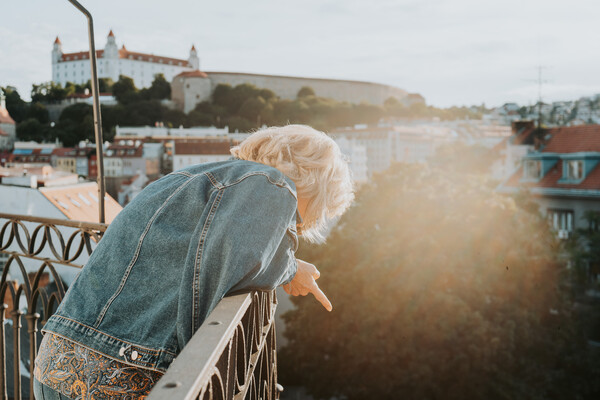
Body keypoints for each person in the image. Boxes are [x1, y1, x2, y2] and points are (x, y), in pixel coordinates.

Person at [33, 124, 354, 400]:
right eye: (317, 209)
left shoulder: (191, 177)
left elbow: (224, 249)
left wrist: (291, 267)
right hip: (117, 377)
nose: (300, 224)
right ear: (316, 180)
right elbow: (239, 261)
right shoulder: (274, 185)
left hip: (54, 361)